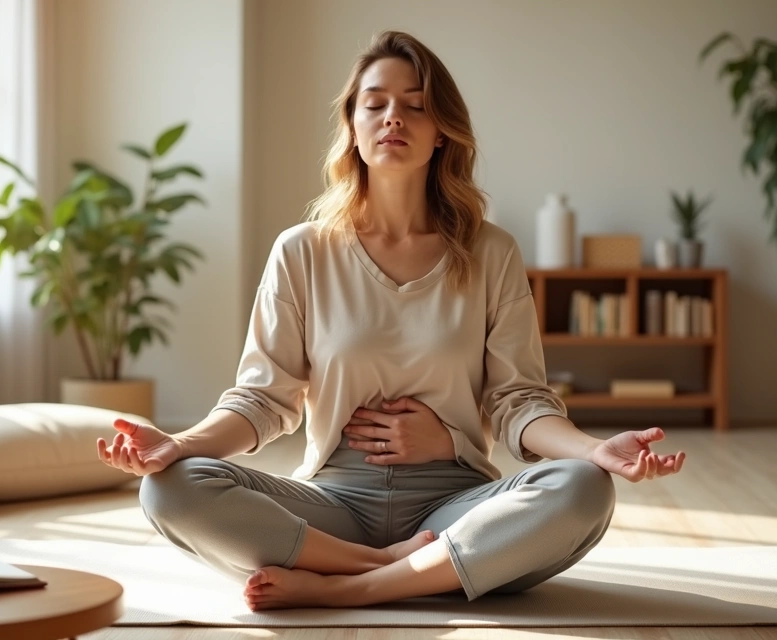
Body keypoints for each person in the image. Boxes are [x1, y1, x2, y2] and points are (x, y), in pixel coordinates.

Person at [97, 29, 685, 611]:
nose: (393, 118)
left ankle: (347, 587)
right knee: (170, 487)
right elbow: (262, 400)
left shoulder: (491, 253)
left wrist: (591, 450)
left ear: (441, 133)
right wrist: (177, 444)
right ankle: (390, 566)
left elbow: (519, 401)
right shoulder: (302, 251)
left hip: (455, 504)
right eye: (374, 104)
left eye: (415, 105)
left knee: (582, 487)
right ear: (352, 128)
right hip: (333, 508)